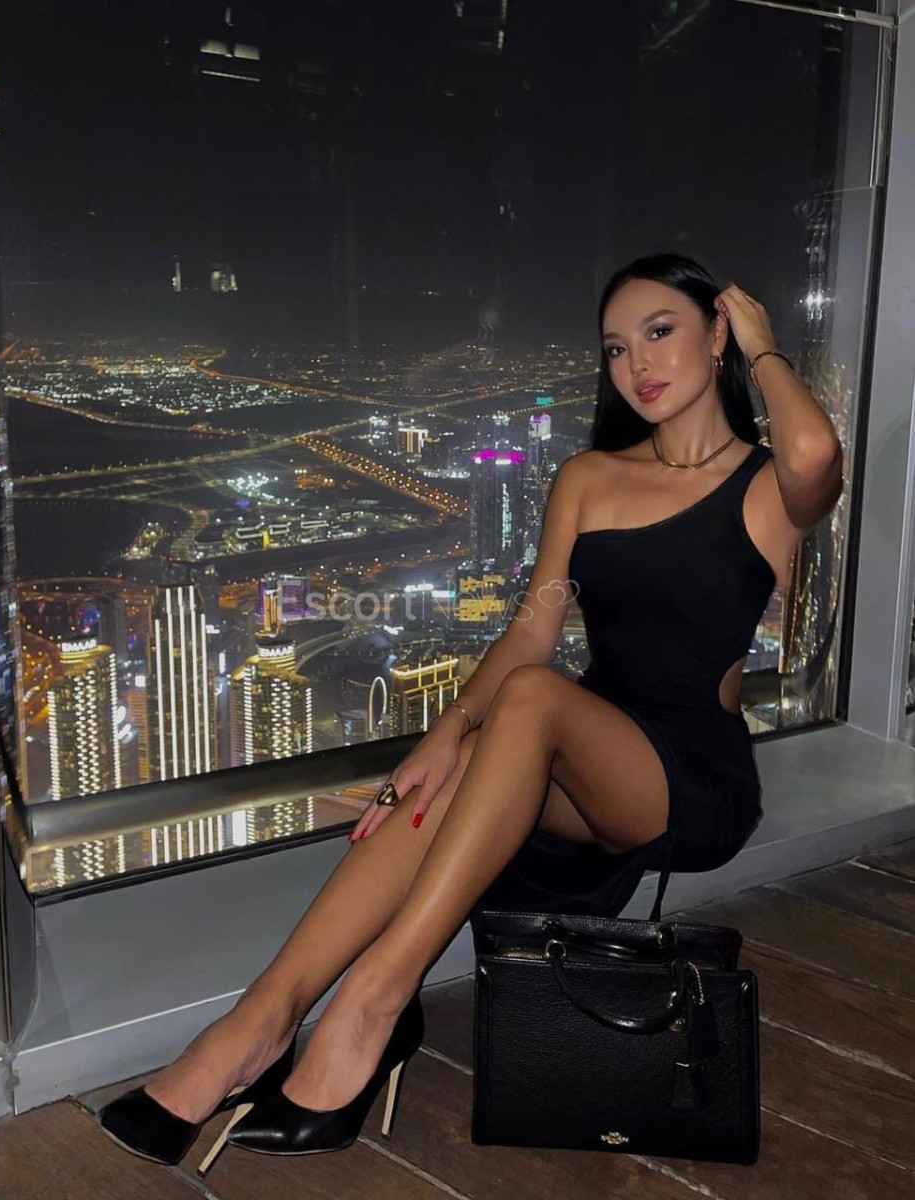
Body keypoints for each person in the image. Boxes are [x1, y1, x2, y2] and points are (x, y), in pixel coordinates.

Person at [98, 252, 843, 1171]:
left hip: (688, 779)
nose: (636, 364)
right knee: (446, 775)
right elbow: (532, 632)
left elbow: (816, 455)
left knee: (529, 703)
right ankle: (261, 1021)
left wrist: (762, 344)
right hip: (573, 751)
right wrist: (442, 737)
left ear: (716, 333)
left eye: (660, 332)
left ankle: (374, 1000)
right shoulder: (587, 477)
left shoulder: (765, 488)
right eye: (615, 347)